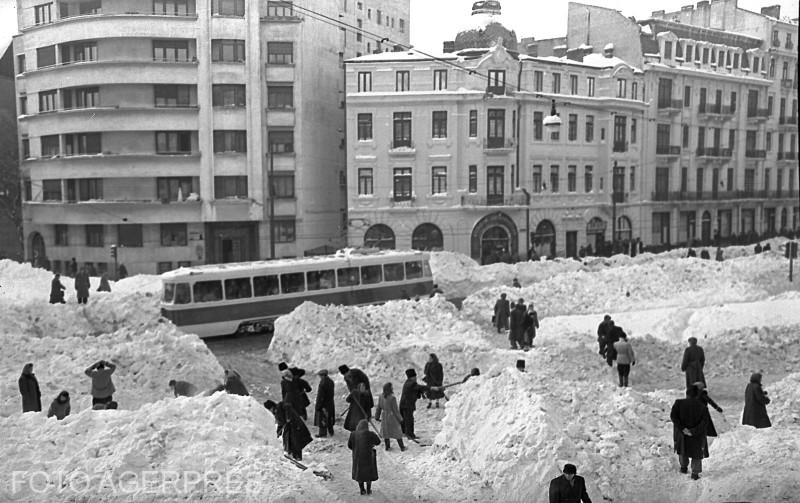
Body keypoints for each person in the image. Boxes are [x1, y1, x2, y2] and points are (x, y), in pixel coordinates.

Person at [670, 385, 711, 480]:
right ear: (697, 394)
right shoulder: (702, 407)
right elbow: (704, 423)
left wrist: (683, 429)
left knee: (683, 450)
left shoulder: (678, 403)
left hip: (682, 433)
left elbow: (673, 417)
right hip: (697, 435)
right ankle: (695, 473)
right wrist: (692, 431)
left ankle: (683, 468)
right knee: (696, 453)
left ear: (687, 393)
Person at [399, 368, 441, 439]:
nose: (416, 378)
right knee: (409, 420)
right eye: (415, 376)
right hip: (407, 405)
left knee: (405, 419)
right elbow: (419, 387)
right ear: (412, 377)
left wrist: (421, 393)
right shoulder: (411, 383)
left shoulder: (408, 382)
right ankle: (410, 435)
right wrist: (432, 388)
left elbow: (417, 390)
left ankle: (404, 432)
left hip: (404, 404)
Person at [348, 419, 381, 495]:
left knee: (359, 473)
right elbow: (378, 442)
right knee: (369, 473)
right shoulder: (370, 434)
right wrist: (372, 443)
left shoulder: (353, 434)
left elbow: (349, 446)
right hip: (369, 457)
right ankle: (369, 490)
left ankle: (362, 490)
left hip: (357, 457)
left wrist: (356, 448)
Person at [375, 382, 406, 451]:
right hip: (392, 417)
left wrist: (377, 416)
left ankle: (387, 446)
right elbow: (395, 411)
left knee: (386, 432)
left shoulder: (380, 396)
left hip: (384, 416)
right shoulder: (392, 398)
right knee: (397, 432)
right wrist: (401, 419)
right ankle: (402, 447)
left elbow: (379, 407)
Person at [314, 369, 335, 438]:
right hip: (330, 402)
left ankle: (322, 433)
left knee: (322, 418)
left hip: (324, 404)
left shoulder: (322, 383)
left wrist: (318, 406)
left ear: (322, 375)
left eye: (320, 376)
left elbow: (320, 396)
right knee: (329, 417)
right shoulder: (331, 381)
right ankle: (331, 432)